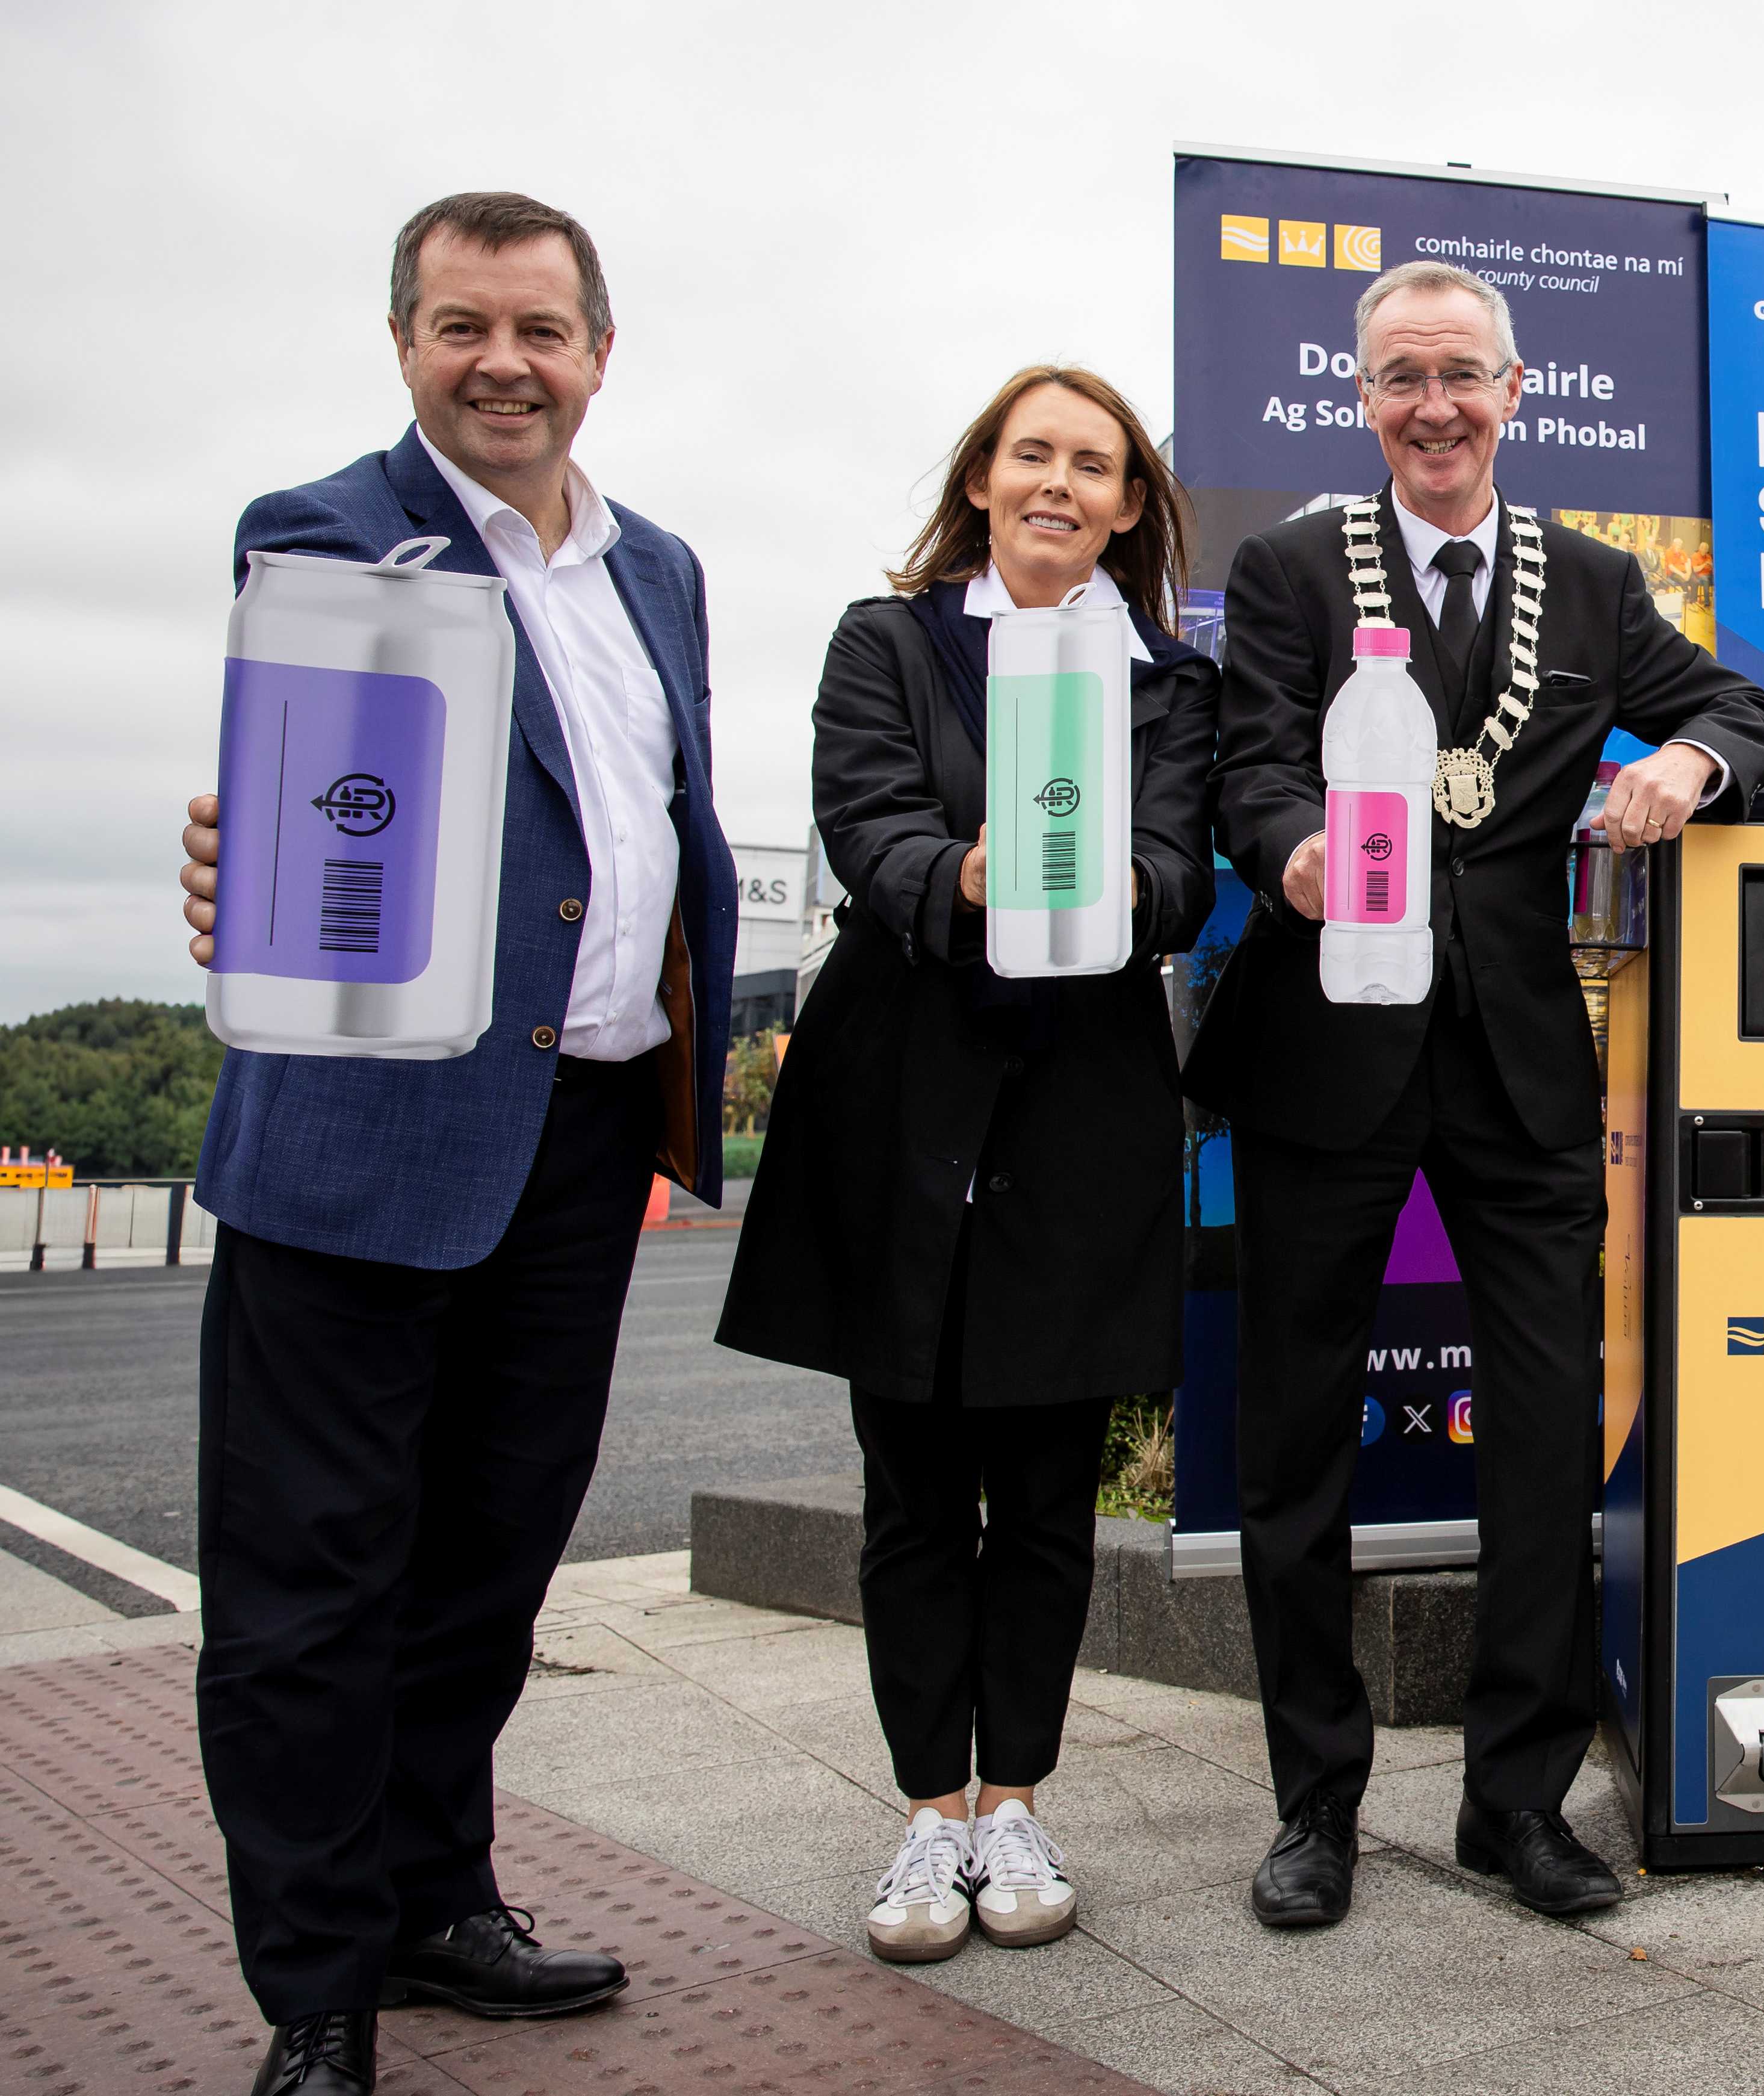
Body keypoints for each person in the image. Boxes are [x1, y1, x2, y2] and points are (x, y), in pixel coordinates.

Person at [174, 193, 737, 2095]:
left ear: (599, 349)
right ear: (404, 338)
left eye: (541, 330)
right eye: (461, 326)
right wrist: (244, 861)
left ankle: (434, 1897)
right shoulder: (330, 533)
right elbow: (324, 795)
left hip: (582, 1135)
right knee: (311, 1581)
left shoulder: (658, 566)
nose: (504, 363)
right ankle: (319, 1988)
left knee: (489, 1559)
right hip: (369, 1131)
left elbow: (649, 823)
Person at [1187, 258, 1764, 1927]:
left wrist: (1679, 764)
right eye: (1399, 378)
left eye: (1461, 373)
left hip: (1526, 1062)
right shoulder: (1295, 566)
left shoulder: (1592, 585)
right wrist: (1293, 850)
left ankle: (1515, 1801)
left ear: (1515, 393)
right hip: (1329, 1039)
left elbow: (1740, 709)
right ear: (1360, 401)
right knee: (1295, 1436)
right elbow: (1242, 761)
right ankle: (1313, 1799)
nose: (1433, 404)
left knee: (1540, 1436)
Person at [714, 366, 1219, 1963]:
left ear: (1131, 507)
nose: (1060, 484)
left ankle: (1018, 1801)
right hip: (906, 1097)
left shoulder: (1170, 687)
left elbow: (1180, 873)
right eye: (1032, 456)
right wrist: (968, 872)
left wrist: (1102, 886)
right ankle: (928, 1814)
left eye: (1095, 464)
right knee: (915, 1487)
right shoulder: (890, 642)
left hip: (1083, 1109)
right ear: (985, 481)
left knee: (1051, 1494)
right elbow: (863, 825)